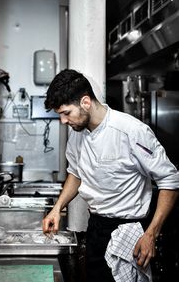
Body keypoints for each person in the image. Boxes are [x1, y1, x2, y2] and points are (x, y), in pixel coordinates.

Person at [42, 69, 179, 282]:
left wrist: (151, 234)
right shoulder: (78, 136)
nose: (63, 121)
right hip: (96, 227)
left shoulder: (131, 131)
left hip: (130, 232)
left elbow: (170, 180)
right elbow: (75, 173)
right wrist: (57, 208)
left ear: (85, 102)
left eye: (66, 113)